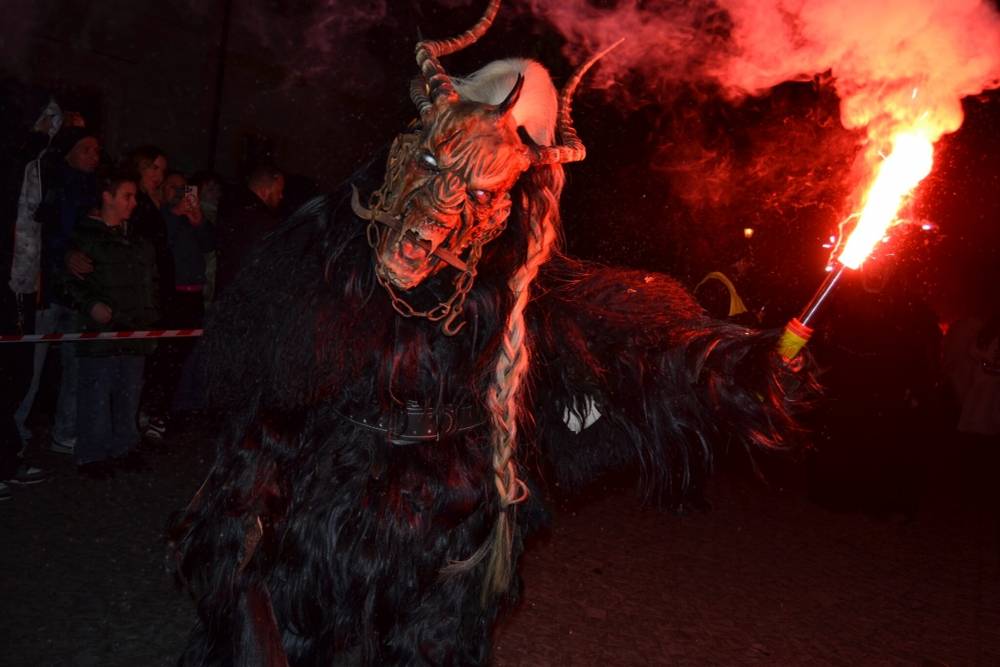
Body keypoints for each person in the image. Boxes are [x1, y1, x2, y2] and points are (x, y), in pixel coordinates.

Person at [169, 3, 811, 664]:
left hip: (448, 526)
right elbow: (269, 392)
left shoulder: (516, 276)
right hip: (332, 509)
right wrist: (246, 501)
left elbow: (625, 347)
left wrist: (726, 363)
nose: (451, 204)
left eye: (481, 189)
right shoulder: (333, 238)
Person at [54, 168, 159, 479]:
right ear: (107, 197)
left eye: (134, 197)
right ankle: (93, 454)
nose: (133, 203)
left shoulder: (136, 240)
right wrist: (91, 305)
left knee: (129, 392)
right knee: (96, 392)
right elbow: (68, 282)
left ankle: (124, 447)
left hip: (135, 327)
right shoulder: (85, 238)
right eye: (127, 196)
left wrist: (151, 316)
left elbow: (150, 282)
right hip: (100, 331)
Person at [16, 123, 101, 455]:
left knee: (75, 365)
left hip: (78, 293)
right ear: (68, 152)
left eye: (96, 150)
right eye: (86, 149)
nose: (94, 156)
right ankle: (16, 435)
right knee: (31, 369)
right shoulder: (53, 184)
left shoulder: (93, 189)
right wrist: (64, 255)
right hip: (49, 292)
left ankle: (64, 431)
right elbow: (42, 234)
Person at [124, 145, 173, 441]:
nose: (159, 175)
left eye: (162, 170)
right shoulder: (135, 201)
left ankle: (140, 417)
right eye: (154, 168)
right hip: (141, 289)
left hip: (158, 287)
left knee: (153, 358)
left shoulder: (155, 203)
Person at [213, 164, 283, 296]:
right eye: (278, 191)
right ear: (265, 190)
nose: (281, 196)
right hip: (244, 296)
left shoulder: (231, 206)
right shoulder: (260, 219)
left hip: (227, 293)